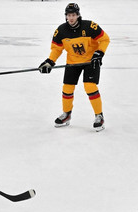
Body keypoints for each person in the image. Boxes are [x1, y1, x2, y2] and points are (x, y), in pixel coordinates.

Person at [38, 3, 110, 131]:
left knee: (90, 86)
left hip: (90, 61)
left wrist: (99, 53)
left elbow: (105, 39)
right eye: (69, 15)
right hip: (73, 62)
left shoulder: (90, 26)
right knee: (67, 88)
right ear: (66, 16)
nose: (71, 18)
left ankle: (99, 116)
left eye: (73, 15)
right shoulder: (61, 31)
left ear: (78, 15)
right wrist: (50, 62)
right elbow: (56, 49)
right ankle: (66, 114)